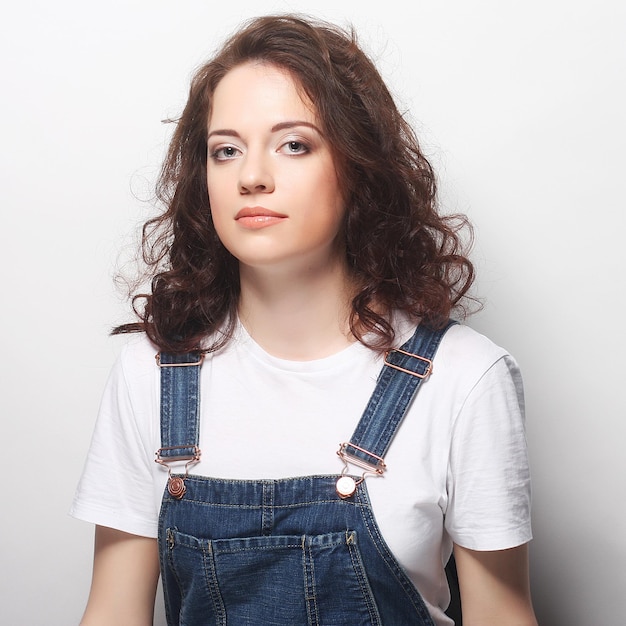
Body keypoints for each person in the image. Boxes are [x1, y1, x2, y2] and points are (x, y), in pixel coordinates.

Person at [71, 13, 538, 626]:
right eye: (226, 150)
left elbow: (502, 615)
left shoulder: (465, 377)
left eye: (294, 144)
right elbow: (112, 613)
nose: (252, 176)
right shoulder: (149, 374)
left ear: (357, 166)